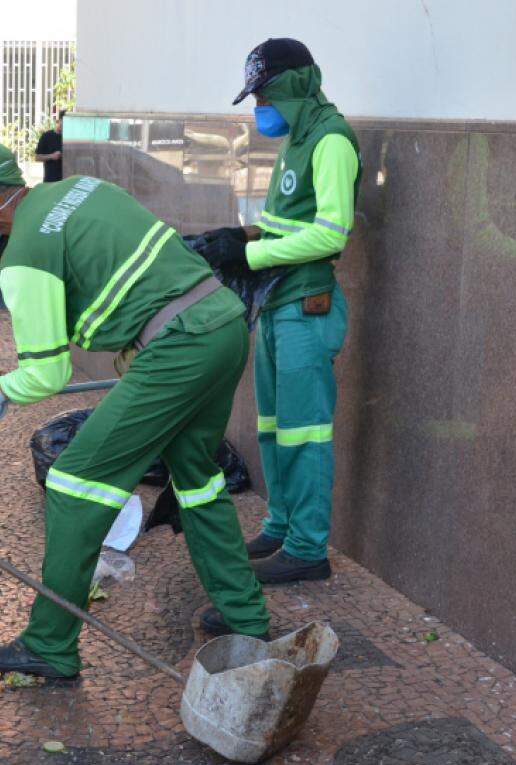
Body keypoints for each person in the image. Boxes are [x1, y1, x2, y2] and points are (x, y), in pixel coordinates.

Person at [0, 140, 270, 677]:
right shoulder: (82, 190)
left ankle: (49, 645)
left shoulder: (25, 254)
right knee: (198, 478)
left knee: (73, 482)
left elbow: (47, 372)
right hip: (221, 322)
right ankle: (246, 618)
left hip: (179, 347)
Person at [194, 38, 360, 585]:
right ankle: (281, 526)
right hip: (277, 305)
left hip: (306, 310)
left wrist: (250, 253)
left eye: (263, 95)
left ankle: (308, 549)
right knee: (272, 428)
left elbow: (331, 231)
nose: (257, 107)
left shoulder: (331, 140)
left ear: (292, 86)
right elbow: (290, 223)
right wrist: (237, 236)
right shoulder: (297, 138)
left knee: (304, 434)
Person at [34, 110, 64, 183]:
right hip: (50, 180)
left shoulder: (69, 138)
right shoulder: (46, 136)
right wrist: (51, 156)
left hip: (66, 180)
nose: (64, 125)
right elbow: (37, 157)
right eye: (62, 122)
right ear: (58, 121)